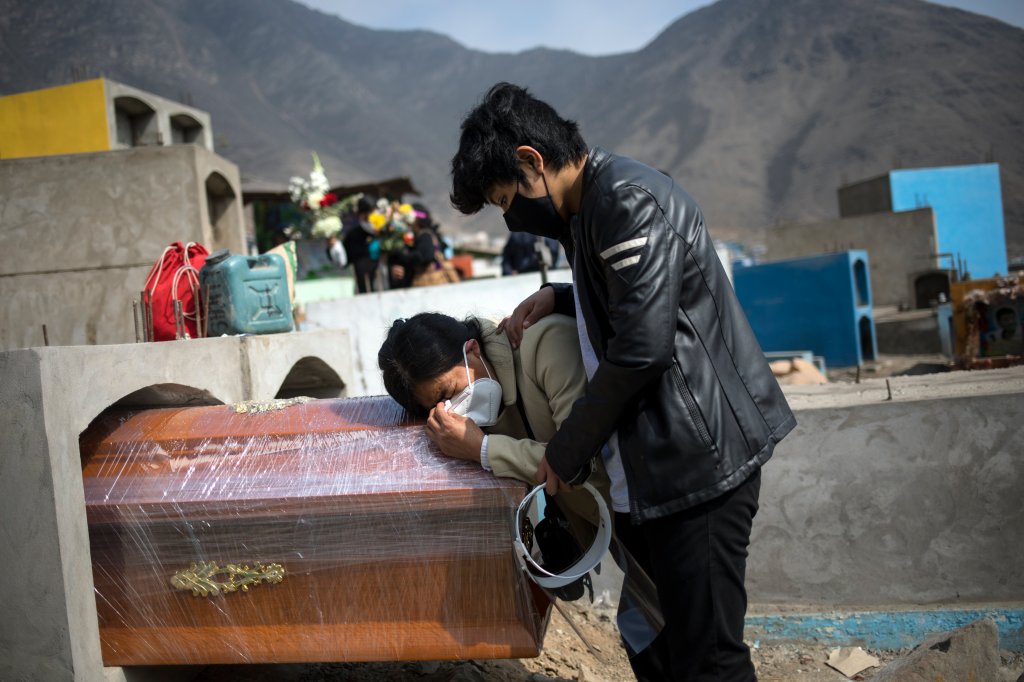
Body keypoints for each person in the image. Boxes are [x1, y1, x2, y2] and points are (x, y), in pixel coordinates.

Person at [449, 82, 796, 681]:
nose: (511, 219)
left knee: (708, 657)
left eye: (508, 199)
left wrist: (566, 450)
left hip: (700, 467)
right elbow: (637, 301)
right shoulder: (588, 213)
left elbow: (642, 348)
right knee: (654, 639)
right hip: (659, 471)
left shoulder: (625, 200)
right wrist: (560, 294)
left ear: (533, 160)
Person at [342, 196, 380, 293]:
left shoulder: (387, 231)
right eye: (369, 212)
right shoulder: (353, 236)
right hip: (365, 286)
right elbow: (347, 262)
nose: (372, 216)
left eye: (374, 211)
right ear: (361, 214)